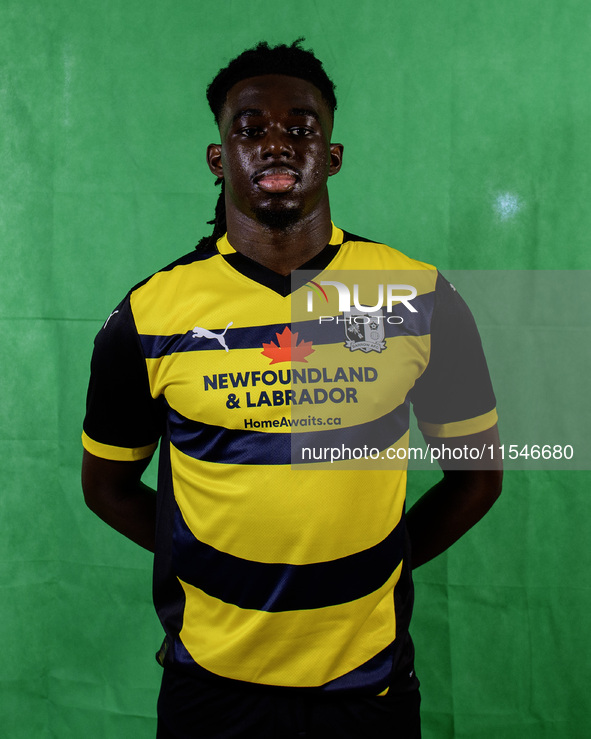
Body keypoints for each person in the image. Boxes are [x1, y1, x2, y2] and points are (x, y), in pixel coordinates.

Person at [82, 40, 502, 739]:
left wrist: (373, 564)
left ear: (330, 156)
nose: (275, 143)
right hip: (209, 685)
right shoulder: (150, 313)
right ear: (219, 159)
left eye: (300, 128)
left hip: (365, 682)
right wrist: (209, 566)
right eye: (249, 129)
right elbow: (108, 486)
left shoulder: (419, 296)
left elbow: (476, 478)